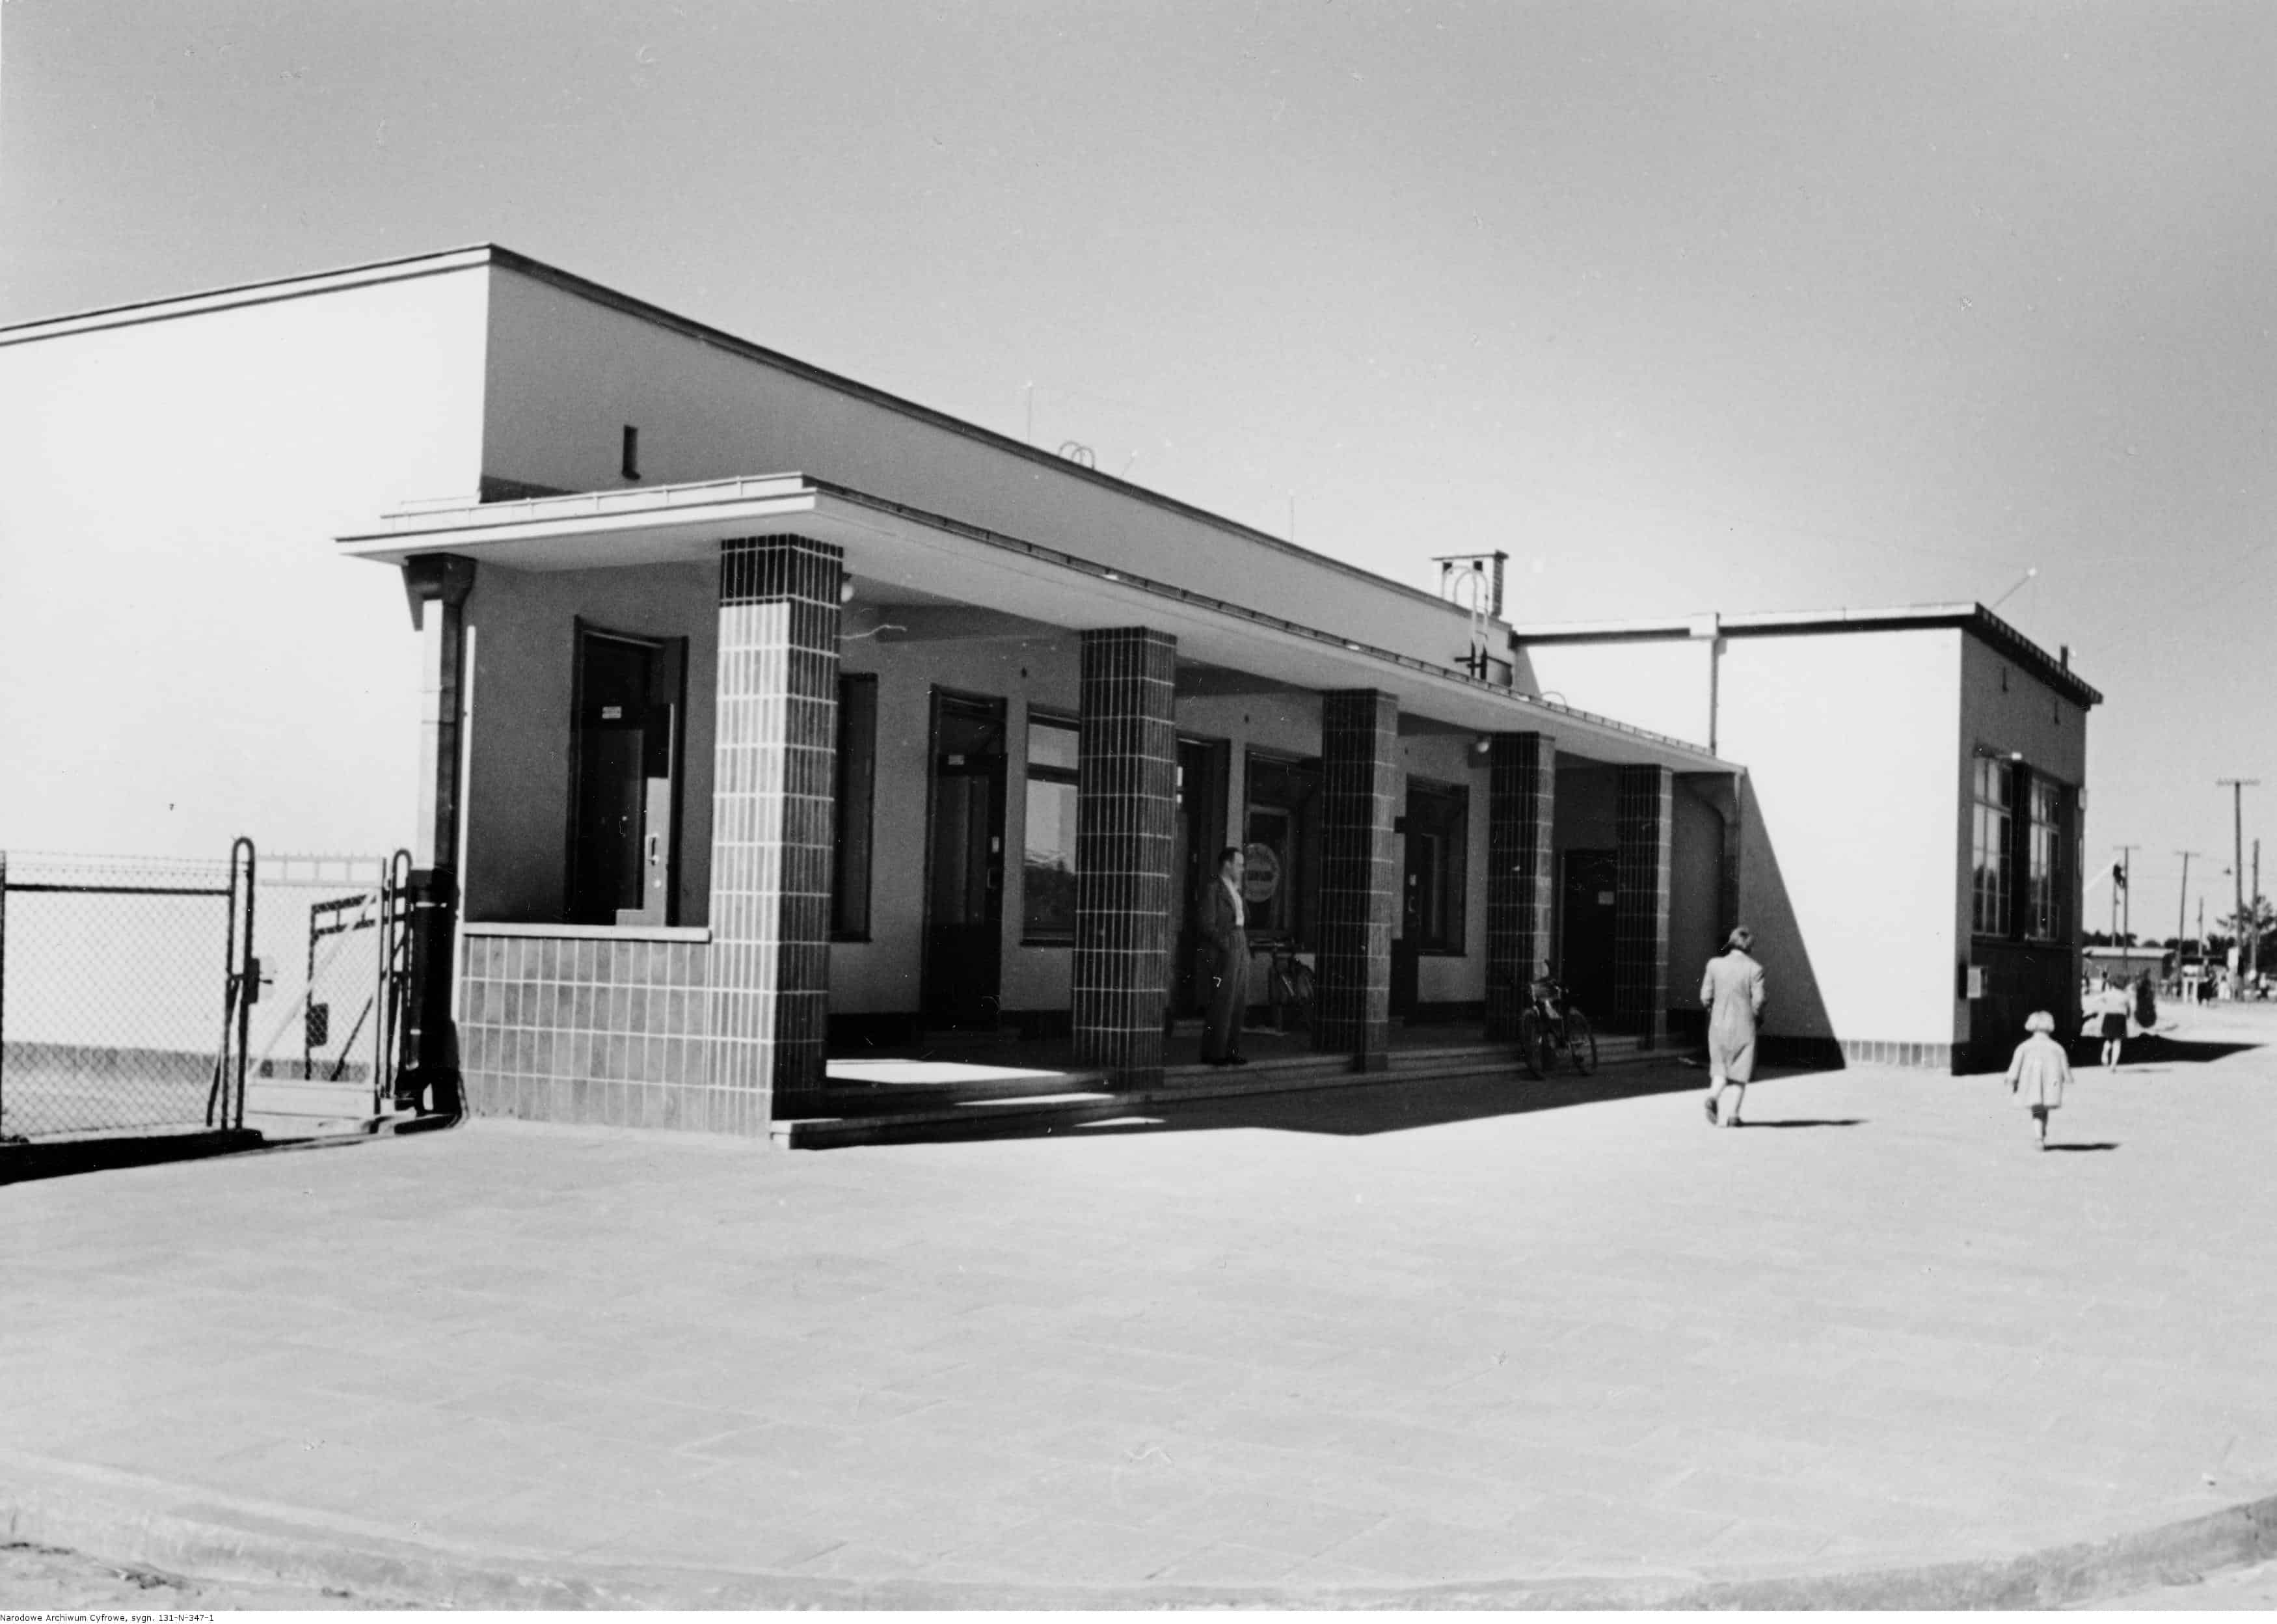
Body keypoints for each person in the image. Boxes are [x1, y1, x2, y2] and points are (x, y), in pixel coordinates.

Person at [1699, 927, 1768, 1127]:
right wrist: (1756, 1017)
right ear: (1750, 947)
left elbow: (1705, 997)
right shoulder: (1755, 969)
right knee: (1741, 1071)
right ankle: (1734, 1115)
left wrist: (1714, 1011)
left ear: (1731, 942)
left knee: (1720, 1068)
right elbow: (1760, 1000)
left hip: (1718, 1023)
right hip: (1744, 1025)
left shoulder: (1714, 965)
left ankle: (1713, 1096)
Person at [1198, 846, 1250, 1067]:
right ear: (1227, 864)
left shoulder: (1235, 891)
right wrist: (1225, 944)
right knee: (1223, 1000)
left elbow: (1244, 917)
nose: (1242, 869)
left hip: (1241, 941)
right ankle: (1215, 1051)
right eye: (1239, 864)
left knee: (1238, 1000)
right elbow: (1206, 924)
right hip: (1226, 946)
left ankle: (1231, 1050)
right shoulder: (1214, 889)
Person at [2005, 1008, 2072, 1150]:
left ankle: (2038, 1136)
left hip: (2031, 1085)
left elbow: (2016, 1065)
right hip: (2050, 1085)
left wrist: (2012, 1079)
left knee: (2036, 1109)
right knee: (2045, 1108)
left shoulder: (2024, 1046)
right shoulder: (2056, 1047)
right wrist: (2067, 1077)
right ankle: (2042, 1131)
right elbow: (2064, 1065)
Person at [2093, 975, 2129, 1069]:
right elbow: (2129, 1008)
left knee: (2109, 1039)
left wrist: (2105, 1003)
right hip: (2121, 1018)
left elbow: (2095, 1000)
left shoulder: (2108, 993)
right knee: (2118, 1041)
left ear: (2113, 985)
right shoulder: (2125, 995)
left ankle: (2105, 1054)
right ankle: (2113, 1064)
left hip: (2109, 1017)